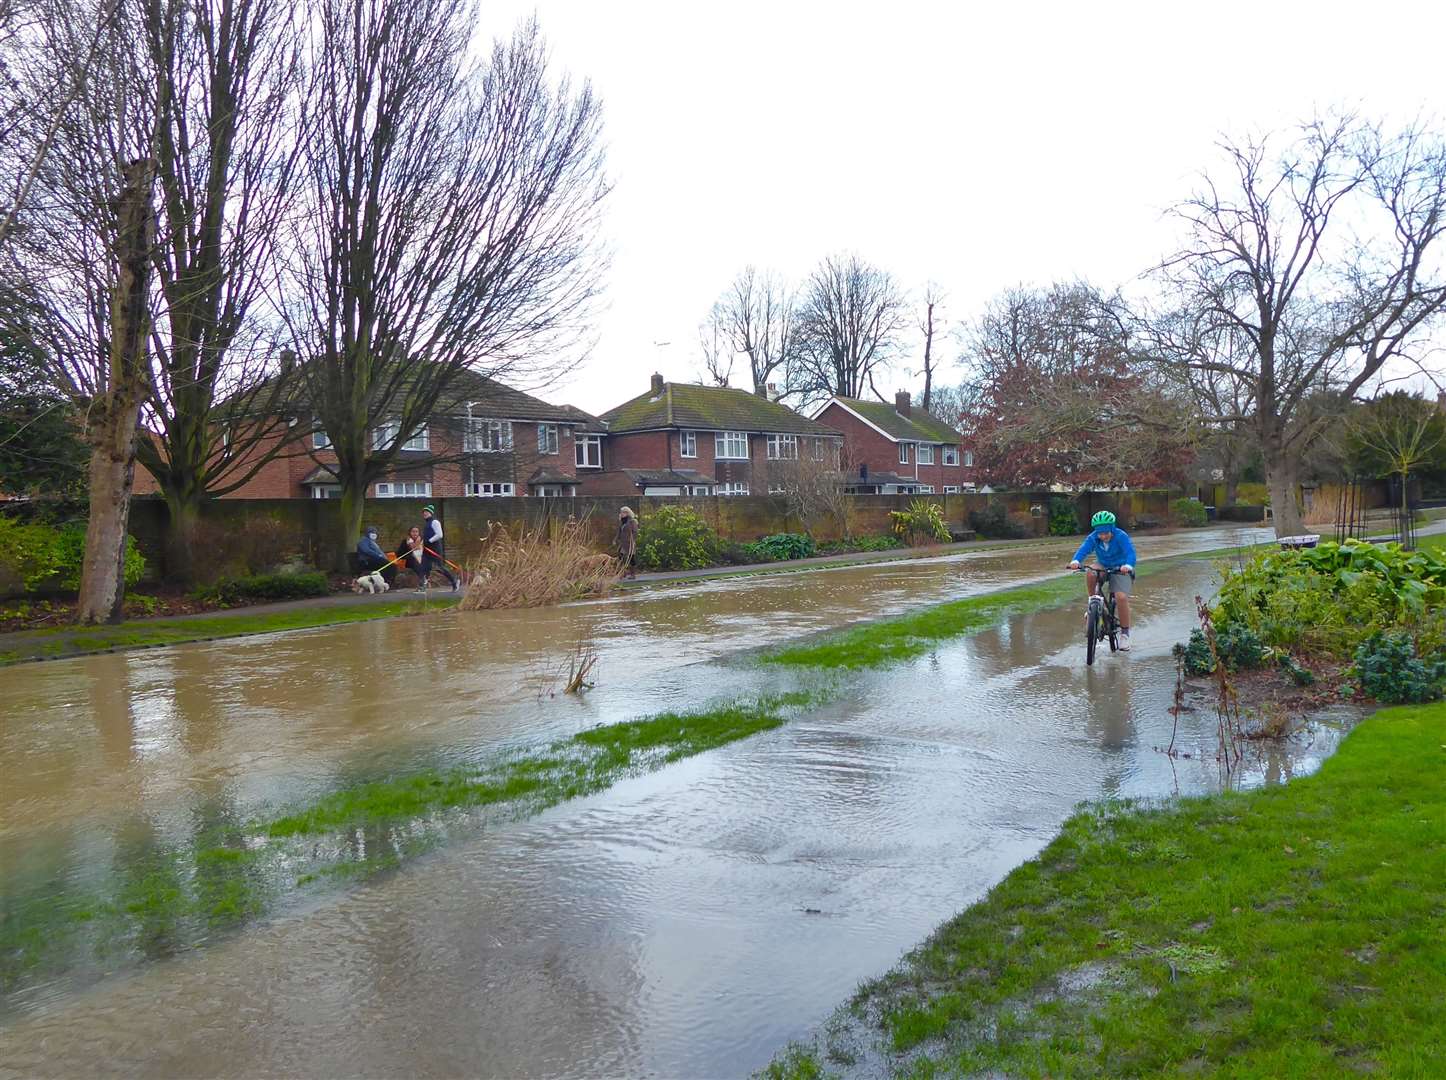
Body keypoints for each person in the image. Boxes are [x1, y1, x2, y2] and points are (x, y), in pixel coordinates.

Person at [1069, 510, 1137, 651]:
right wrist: (1075, 560)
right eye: (1100, 533)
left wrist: (1128, 565)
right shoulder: (1093, 537)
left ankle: (1125, 634)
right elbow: (1084, 549)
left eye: (1106, 532)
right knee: (1091, 572)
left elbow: (1130, 552)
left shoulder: (1121, 536)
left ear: (1112, 528)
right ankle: (1092, 604)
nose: (1103, 536)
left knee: (1121, 597)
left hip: (1121, 567)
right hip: (1103, 566)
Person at [418, 504, 459, 592]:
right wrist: (422, 543)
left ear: (431, 513)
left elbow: (439, 535)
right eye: (423, 512)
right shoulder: (426, 524)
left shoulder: (435, 522)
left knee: (440, 568)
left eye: (426, 512)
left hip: (434, 549)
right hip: (426, 550)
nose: (424, 513)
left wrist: (429, 541)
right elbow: (426, 537)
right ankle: (422, 587)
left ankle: (454, 582)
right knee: (424, 568)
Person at [616, 506, 638, 579]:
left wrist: (633, 540)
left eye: (623, 512)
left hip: (630, 543)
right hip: (623, 543)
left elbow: (635, 532)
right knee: (620, 558)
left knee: (631, 558)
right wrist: (615, 539)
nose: (621, 514)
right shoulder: (622, 522)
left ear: (627, 513)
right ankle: (623, 572)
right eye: (621, 512)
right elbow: (619, 532)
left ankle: (633, 574)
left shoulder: (632, 521)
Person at [403, 525, 426, 590]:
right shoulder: (408, 540)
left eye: (416, 531)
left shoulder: (422, 540)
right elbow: (415, 547)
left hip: (421, 557)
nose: (415, 533)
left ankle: (422, 583)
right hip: (411, 559)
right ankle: (422, 583)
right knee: (418, 566)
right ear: (410, 532)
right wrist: (418, 541)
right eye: (413, 531)